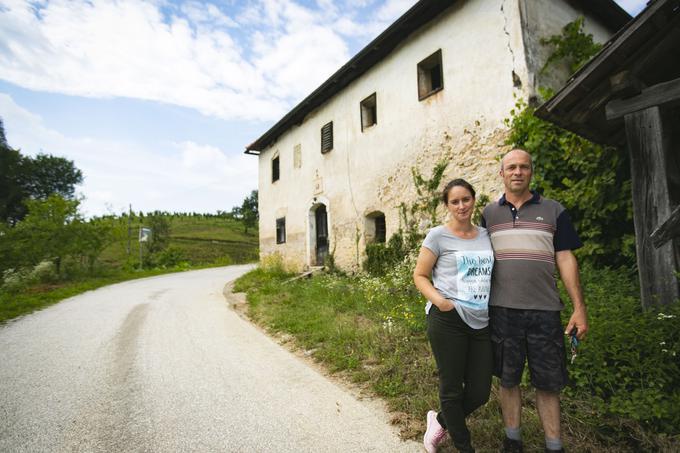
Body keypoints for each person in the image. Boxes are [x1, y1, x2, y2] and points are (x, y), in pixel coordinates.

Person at [481, 149, 588, 453]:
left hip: (545, 311)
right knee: (508, 378)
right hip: (502, 310)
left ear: (531, 172)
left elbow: (566, 258)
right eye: (511, 167)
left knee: (548, 382)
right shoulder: (489, 214)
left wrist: (579, 308)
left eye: (524, 167)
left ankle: (554, 445)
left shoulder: (554, 210)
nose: (517, 172)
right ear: (501, 173)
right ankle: (512, 441)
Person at [413, 178, 494, 453]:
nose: (461, 206)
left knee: (480, 391)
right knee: (451, 389)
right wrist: (440, 302)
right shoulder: (437, 235)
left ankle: (439, 421)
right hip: (448, 320)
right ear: (447, 206)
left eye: (466, 199)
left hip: (481, 319)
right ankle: (464, 446)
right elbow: (420, 275)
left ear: (474, 200)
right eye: (454, 201)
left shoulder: (485, 235)